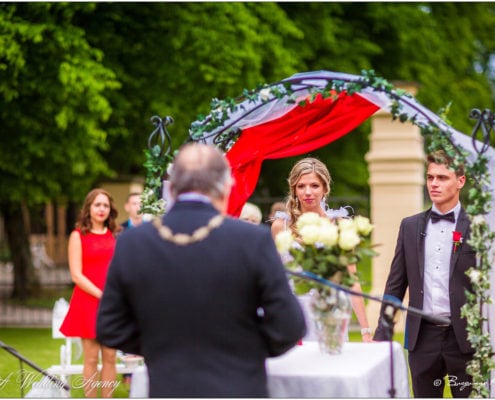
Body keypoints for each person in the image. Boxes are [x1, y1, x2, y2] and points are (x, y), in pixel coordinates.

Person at [96, 143, 306, 397]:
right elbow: (290, 326)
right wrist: (246, 348)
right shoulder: (252, 240)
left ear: (172, 189)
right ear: (226, 187)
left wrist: (158, 345)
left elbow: (109, 326)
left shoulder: (134, 242)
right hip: (239, 386)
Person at [373, 150, 475, 398]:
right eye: (430, 178)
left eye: (442, 178)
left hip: (466, 339)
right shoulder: (410, 226)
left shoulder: (478, 227)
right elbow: (396, 283)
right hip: (422, 337)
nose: (434, 184)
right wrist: (383, 332)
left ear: (460, 181)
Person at [271, 157, 373, 342]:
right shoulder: (280, 227)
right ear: (293, 189)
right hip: (293, 314)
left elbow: (351, 280)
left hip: (330, 312)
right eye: (301, 186)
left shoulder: (339, 226)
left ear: (325, 188)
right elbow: (274, 279)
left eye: (314, 185)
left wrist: (365, 330)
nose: (307, 192)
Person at [60, 188, 120, 398]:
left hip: (112, 304)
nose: (102, 209)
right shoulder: (78, 236)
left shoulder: (115, 235)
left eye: (105, 205)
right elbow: (76, 275)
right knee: (91, 359)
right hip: (88, 303)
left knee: (111, 356)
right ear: (89, 208)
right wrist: (102, 295)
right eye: (97, 205)